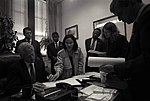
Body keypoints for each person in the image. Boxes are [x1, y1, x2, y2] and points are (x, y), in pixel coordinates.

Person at [100, 0, 150, 101]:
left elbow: (147, 58)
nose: (119, 18)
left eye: (119, 13)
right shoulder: (140, 20)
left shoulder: (148, 16)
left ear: (129, 3)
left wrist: (116, 68)